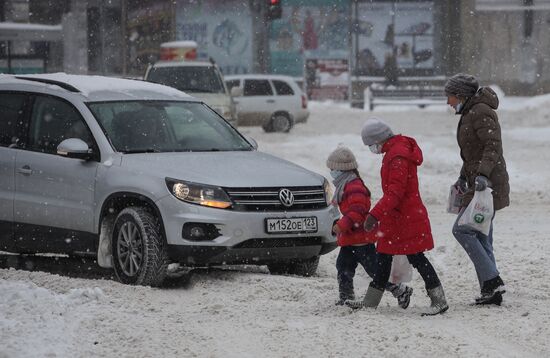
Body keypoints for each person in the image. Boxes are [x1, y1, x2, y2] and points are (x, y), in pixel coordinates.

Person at [347, 119, 448, 316]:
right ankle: (370, 302)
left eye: (370, 145)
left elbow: (395, 193)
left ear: (378, 139)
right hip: (396, 218)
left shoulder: (397, 156)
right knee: (383, 257)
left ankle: (439, 300)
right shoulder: (394, 152)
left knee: (417, 257)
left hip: (405, 218)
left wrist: (374, 215)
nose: (371, 149)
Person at [444, 73, 509, 305]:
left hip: (487, 183)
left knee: (462, 230)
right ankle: (491, 290)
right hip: (477, 180)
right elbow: (473, 152)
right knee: (481, 234)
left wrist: (482, 174)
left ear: (461, 94)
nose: (448, 102)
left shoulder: (480, 111)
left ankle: (492, 281)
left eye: (450, 96)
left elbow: (493, 146)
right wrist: (464, 176)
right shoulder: (471, 112)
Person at [326, 145, 413, 308]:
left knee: (375, 272)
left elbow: (357, 212)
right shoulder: (344, 185)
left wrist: (341, 226)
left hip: (362, 240)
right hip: (351, 239)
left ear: (342, 170)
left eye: (332, 169)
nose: (331, 172)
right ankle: (346, 297)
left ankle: (400, 290)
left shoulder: (354, 186)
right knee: (343, 267)